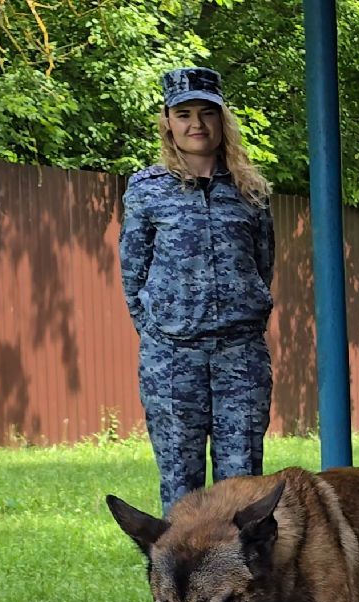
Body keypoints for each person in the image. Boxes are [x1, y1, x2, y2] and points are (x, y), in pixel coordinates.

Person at [118, 66, 276, 513]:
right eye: (183, 113)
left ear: (222, 119)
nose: (196, 125)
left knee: (243, 481)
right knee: (179, 479)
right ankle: (180, 579)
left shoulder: (251, 190)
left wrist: (240, 316)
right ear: (168, 121)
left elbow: (263, 265)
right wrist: (156, 331)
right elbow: (133, 270)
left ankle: (244, 580)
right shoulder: (148, 190)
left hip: (239, 355)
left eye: (207, 113)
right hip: (171, 356)